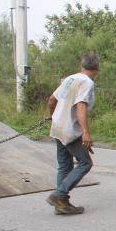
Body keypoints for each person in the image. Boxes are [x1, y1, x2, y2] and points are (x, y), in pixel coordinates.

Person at [45, 52, 98, 215]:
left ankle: (61, 205)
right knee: (85, 163)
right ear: (97, 68)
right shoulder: (87, 82)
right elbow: (80, 106)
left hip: (57, 127)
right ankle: (59, 195)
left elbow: (51, 100)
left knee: (65, 166)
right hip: (70, 130)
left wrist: (52, 115)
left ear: (81, 65)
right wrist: (86, 133)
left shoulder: (69, 79)